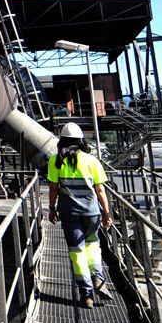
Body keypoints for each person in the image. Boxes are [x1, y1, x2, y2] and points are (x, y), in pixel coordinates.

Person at [47, 122, 114, 308]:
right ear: (81, 140)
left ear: (62, 140)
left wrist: (51, 207)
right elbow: (100, 190)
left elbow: (53, 188)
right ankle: (98, 280)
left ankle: (86, 294)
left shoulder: (56, 160)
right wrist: (107, 213)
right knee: (93, 245)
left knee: (77, 251)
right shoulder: (92, 161)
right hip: (91, 212)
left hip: (68, 212)